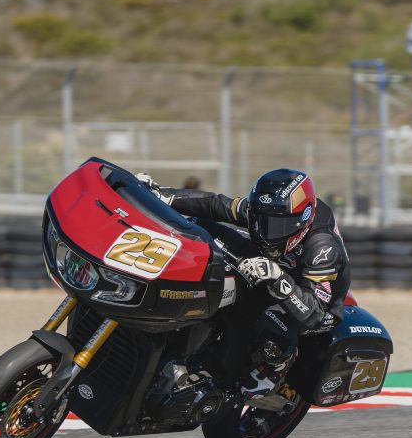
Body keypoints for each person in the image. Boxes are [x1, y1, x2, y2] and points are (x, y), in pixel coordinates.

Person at [141, 169, 351, 400]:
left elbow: (314, 313)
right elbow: (216, 205)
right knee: (202, 230)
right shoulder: (265, 210)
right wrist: (161, 195)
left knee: (274, 323)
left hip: (316, 302)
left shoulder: (323, 248)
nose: (266, 232)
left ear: (303, 219)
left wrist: (279, 278)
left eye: (277, 226)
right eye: (261, 220)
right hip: (271, 265)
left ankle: (276, 366)